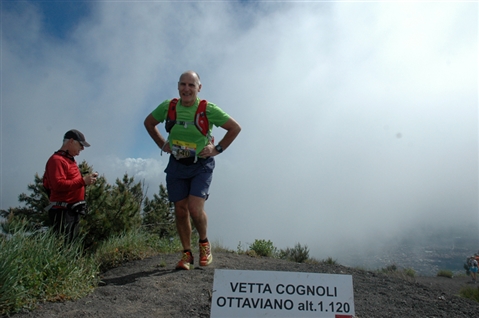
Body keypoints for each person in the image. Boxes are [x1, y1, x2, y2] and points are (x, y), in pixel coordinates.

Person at [144, 71, 241, 270]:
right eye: (183, 84)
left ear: (199, 88)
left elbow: (235, 128)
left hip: (201, 165)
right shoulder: (168, 107)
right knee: (180, 211)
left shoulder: (208, 109)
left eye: (191, 85)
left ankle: (204, 244)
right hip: (177, 163)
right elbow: (149, 123)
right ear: (178, 86)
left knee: (195, 209)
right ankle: (187, 254)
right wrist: (163, 144)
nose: (186, 89)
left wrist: (217, 149)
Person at [43, 129, 98, 243]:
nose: (82, 149)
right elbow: (58, 185)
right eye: (81, 145)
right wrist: (83, 181)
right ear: (71, 141)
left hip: (71, 211)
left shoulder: (69, 160)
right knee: (64, 247)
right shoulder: (56, 160)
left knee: (71, 247)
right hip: (62, 212)